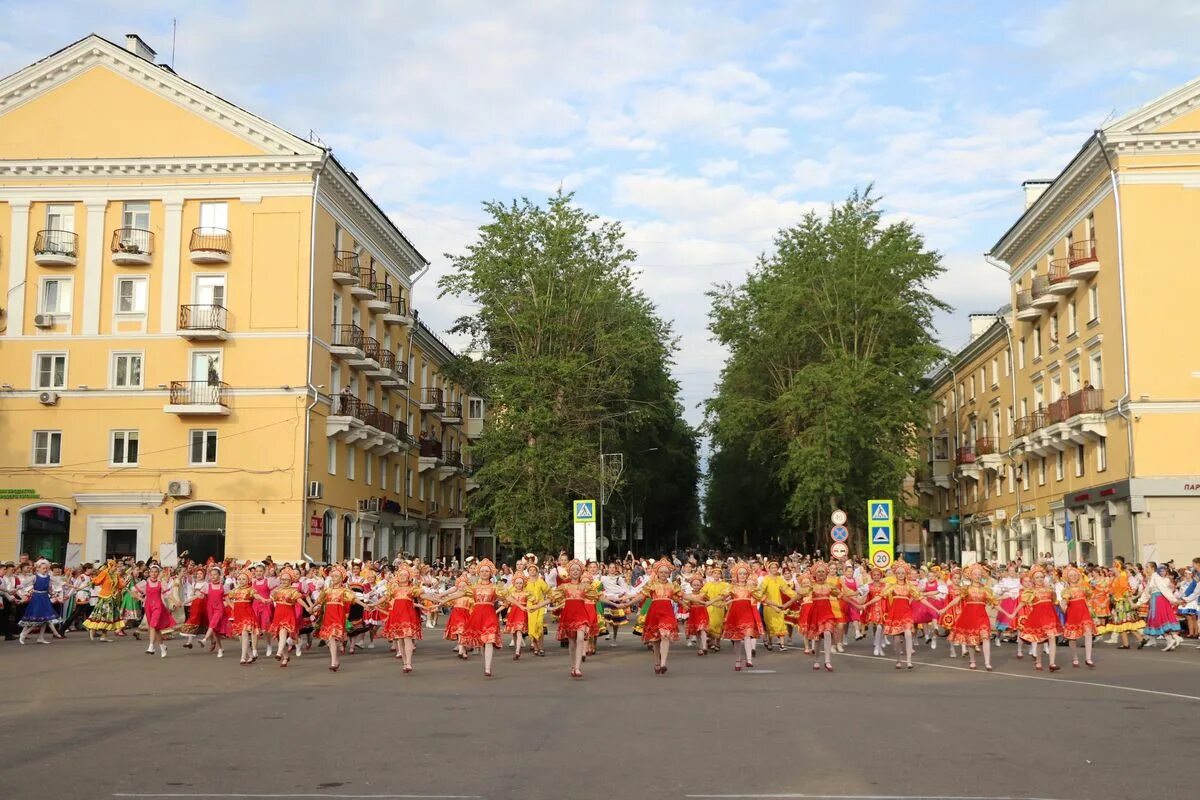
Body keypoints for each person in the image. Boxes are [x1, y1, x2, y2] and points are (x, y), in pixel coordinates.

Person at [623, 558, 683, 675]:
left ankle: (663, 663)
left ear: (669, 573)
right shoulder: (652, 585)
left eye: (666, 572)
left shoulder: (672, 586)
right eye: (661, 572)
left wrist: (701, 601)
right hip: (655, 612)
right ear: (657, 573)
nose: (664, 574)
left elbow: (683, 595)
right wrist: (629, 603)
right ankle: (657, 661)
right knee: (655, 640)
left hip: (667, 612)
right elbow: (641, 596)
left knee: (665, 635)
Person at [939, 564, 996, 671]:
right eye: (975, 574)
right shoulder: (966, 589)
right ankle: (972, 661)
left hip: (982, 617)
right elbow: (956, 600)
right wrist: (945, 608)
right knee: (971, 640)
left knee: (985, 637)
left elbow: (995, 602)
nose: (977, 576)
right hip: (969, 616)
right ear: (970, 576)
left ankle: (987, 662)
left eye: (979, 574)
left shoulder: (986, 590)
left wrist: (1008, 613)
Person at [719, 562, 764, 671]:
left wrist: (778, 606)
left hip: (747, 613)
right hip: (735, 614)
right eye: (740, 574)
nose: (742, 576)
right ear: (736, 575)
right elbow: (722, 596)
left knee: (748, 634)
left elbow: (762, 598)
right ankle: (738, 660)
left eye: (744, 573)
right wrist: (710, 602)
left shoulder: (750, 588)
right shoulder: (732, 588)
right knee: (737, 638)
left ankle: (749, 660)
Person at [1138, 563, 1183, 651]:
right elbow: (1146, 592)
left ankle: (1169, 640)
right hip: (1155, 600)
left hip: (1159, 600)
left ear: (1152, 568)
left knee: (1159, 619)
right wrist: (1139, 603)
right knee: (1158, 620)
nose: (1146, 568)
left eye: (1147, 567)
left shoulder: (1156, 578)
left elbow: (1164, 589)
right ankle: (1170, 640)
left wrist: (1173, 600)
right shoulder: (1151, 578)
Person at [134, 564, 175, 658]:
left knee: (152, 625)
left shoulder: (161, 583)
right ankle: (162, 646)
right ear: (149, 572)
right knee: (155, 629)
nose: (153, 573)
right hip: (148, 607)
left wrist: (175, 601)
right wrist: (142, 599)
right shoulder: (145, 583)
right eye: (152, 571)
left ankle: (151, 646)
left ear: (158, 573)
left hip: (158, 606)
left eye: (155, 572)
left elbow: (168, 594)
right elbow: (134, 592)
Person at [17, 559, 63, 645]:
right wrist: (17, 589)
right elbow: (24, 584)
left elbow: (50, 589)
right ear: (38, 568)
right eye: (43, 568)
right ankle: (24, 633)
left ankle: (40, 637)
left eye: (46, 568)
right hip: (37, 599)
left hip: (45, 598)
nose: (45, 570)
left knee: (45, 619)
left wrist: (53, 595)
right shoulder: (35, 577)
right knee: (37, 619)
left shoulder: (48, 578)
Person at [1060, 566, 1096, 668]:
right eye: (1071, 575)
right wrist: (1065, 611)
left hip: (1084, 613)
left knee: (1088, 633)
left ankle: (1088, 658)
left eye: (1075, 575)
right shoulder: (1066, 590)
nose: (1074, 577)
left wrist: (1090, 608)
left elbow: (1089, 598)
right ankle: (1075, 657)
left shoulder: (1084, 588)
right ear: (1067, 577)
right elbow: (1063, 603)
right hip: (1073, 614)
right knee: (1072, 637)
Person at [83, 560, 125, 641]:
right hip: (104, 598)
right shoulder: (105, 573)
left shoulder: (116, 575)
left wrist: (125, 582)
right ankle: (92, 628)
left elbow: (120, 585)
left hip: (112, 598)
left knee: (108, 618)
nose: (116, 568)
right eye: (115, 566)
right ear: (110, 566)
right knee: (101, 615)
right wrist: (93, 579)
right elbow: (97, 582)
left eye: (117, 566)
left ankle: (103, 636)